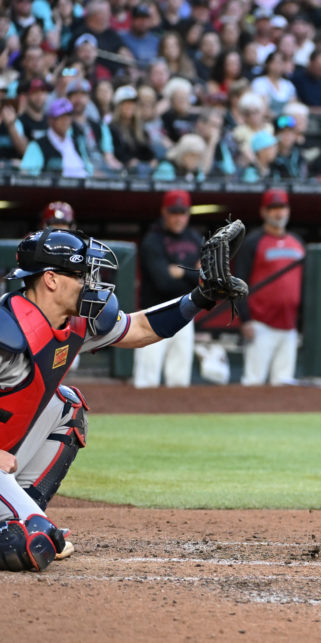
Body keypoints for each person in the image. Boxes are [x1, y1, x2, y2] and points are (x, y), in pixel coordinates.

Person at [0, 226, 244, 572]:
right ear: (51, 279)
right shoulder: (7, 330)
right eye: (81, 274)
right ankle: (23, 525)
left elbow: (140, 328)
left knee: (67, 405)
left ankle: (24, 515)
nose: (90, 283)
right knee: (31, 544)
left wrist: (201, 297)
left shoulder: (75, 322)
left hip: (5, 467)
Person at [133, 190, 204, 388]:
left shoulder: (195, 239)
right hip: (154, 313)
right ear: (164, 211)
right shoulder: (153, 240)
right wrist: (192, 272)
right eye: (174, 212)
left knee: (179, 380)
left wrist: (180, 272)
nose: (179, 218)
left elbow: (205, 278)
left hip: (185, 313)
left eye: (182, 212)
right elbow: (163, 282)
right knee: (147, 379)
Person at [234, 189, 305, 386]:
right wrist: (245, 319)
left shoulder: (297, 242)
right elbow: (239, 282)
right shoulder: (253, 242)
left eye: (282, 208)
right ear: (264, 212)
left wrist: (302, 322)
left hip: (290, 325)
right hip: (260, 324)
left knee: (284, 384)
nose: (278, 213)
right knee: (253, 382)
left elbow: (305, 283)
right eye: (273, 208)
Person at [20, 98, 92, 177]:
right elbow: (27, 176)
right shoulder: (37, 145)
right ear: (51, 120)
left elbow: (89, 170)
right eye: (61, 117)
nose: (66, 121)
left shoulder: (77, 142)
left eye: (68, 117)